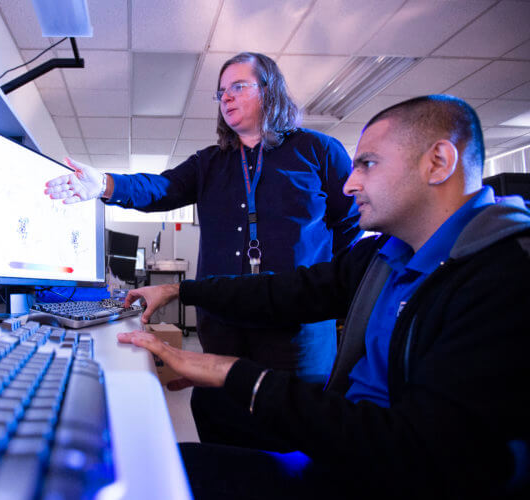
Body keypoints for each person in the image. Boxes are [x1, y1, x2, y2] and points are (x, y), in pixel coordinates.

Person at [117, 95, 530, 499]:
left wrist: (236, 372)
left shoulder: (504, 275)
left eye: (367, 164)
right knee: (211, 403)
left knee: (157, 471)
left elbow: (422, 453)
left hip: (388, 473)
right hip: (356, 445)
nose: (350, 185)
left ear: (438, 162)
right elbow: (284, 291)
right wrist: (179, 289)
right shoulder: (386, 254)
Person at [45, 52, 361, 446]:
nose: (226, 97)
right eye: (221, 92)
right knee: (224, 422)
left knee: (291, 430)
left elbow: (351, 223)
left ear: (270, 90)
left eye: (238, 86)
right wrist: (106, 184)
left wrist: (329, 283)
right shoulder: (210, 162)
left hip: (296, 327)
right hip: (224, 320)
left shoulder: (320, 151)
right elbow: (161, 188)